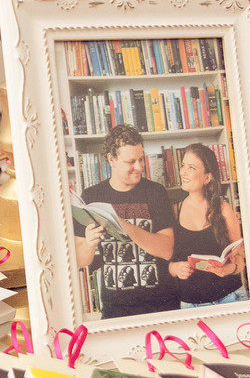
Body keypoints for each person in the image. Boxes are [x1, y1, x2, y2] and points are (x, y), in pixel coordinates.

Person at [75, 125, 177, 319]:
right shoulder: (91, 196)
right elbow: (81, 260)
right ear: (111, 160)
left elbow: (166, 250)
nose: (139, 167)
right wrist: (89, 243)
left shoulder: (156, 192)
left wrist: (123, 225)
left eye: (141, 159)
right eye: (131, 161)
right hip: (115, 310)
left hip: (161, 306)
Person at [167, 143, 248, 307]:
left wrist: (228, 269)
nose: (183, 172)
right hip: (192, 304)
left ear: (207, 178)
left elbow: (240, 262)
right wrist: (174, 268)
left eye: (191, 167)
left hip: (231, 298)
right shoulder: (174, 212)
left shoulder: (224, 209)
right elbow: (164, 264)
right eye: (183, 165)